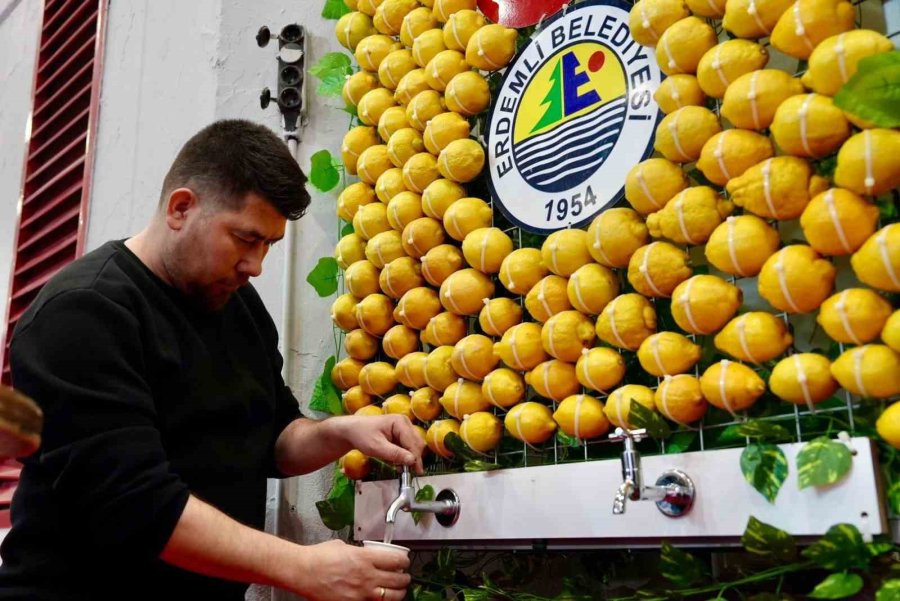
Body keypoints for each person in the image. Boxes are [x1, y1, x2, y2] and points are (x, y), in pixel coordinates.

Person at [0, 119, 424, 601]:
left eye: (269, 245)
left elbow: (272, 439)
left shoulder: (236, 304)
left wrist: (341, 432)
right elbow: (137, 506)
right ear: (181, 208)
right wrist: (302, 567)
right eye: (245, 239)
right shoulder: (81, 313)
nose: (256, 266)